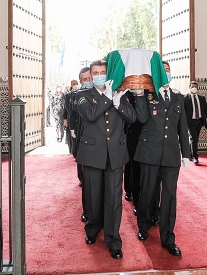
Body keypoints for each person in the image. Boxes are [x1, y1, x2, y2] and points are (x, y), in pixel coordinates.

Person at [75, 59, 137, 259]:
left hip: (116, 154)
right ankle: (93, 229)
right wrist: (107, 97)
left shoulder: (119, 94)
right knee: (94, 197)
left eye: (103, 71)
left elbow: (133, 118)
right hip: (93, 154)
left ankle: (113, 240)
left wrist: (118, 102)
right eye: (96, 72)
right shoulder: (83, 96)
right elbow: (91, 115)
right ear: (91, 76)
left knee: (113, 199)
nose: (100, 75)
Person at [133, 83, 190, 256]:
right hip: (149, 152)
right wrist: (140, 96)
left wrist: (186, 153)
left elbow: (182, 127)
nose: (166, 74)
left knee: (169, 196)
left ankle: (168, 238)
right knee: (148, 191)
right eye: (162, 71)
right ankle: (143, 226)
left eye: (167, 70)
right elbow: (141, 118)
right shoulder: (148, 95)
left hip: (171, 154)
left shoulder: (178, 98)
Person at [71, 67, 93, 223]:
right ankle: (87, 210)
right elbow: (73, 114)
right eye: (85, 79)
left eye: (90, 78)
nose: (89, 81)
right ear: (81, 81)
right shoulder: (79, 96)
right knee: (86, 179)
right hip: (84, 139)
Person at [183, 80, 207, 164]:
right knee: (194, 138)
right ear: (189, 88)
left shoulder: (201, 98)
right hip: (190, 122)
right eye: (192, 87)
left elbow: (206, 109)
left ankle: (190, 154)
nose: (194, 88)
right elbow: (183, 111)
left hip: (199, 121)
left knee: (194, 139)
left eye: (195, 87)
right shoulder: (185, 98)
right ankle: (195, 157)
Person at [63, 80, 79, 154]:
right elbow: (65, 108)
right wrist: (65, 118)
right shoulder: (67, 95)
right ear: (71, 85)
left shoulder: (81, 93)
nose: (75, 85)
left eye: (76, 84)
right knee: (71, 135)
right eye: (74, 84)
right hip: (71, 117)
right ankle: (72, 150)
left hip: (79, 118)